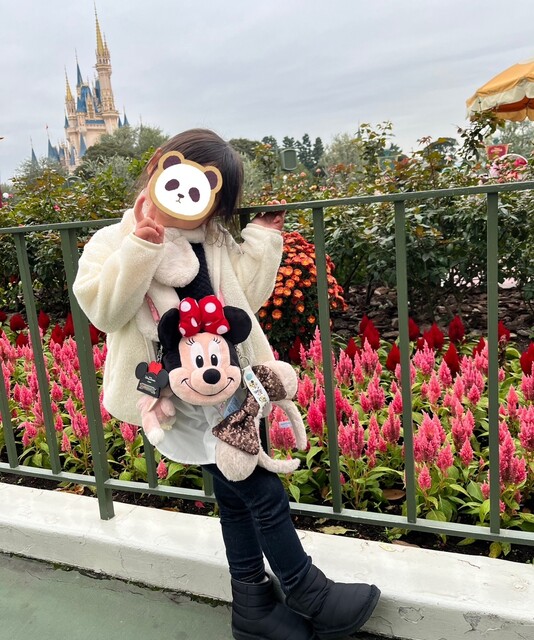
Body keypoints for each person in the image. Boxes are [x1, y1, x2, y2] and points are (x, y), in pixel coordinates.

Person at [73, 128, 380, 640]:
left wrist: (261, 237)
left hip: (232, 384)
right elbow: (105, 311)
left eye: (213, 195)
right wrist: (141, 247)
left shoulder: (213, 239)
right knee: (259, 488)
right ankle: (306, 589)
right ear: (160, 166)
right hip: (174, 395)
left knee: (236, 494)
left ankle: (253, 605)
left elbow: (246, 300)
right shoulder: (112, 240)